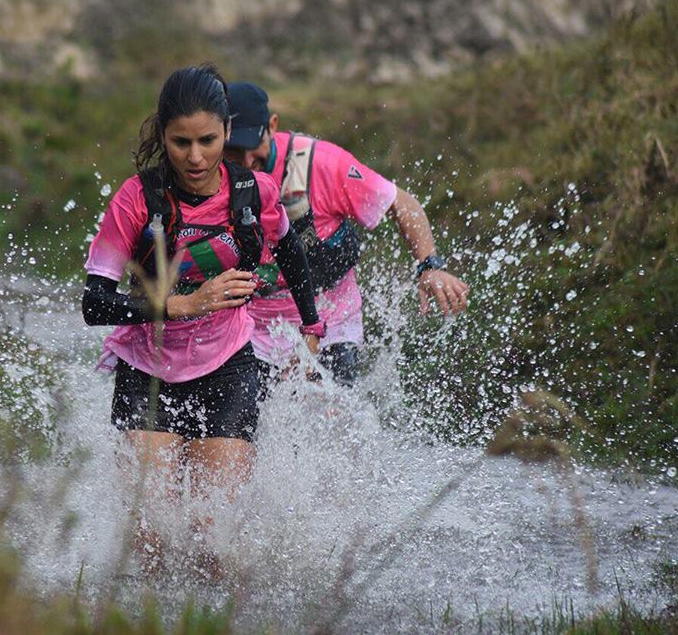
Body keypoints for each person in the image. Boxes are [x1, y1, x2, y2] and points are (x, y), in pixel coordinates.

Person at [81, 65, 324, 572]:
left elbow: (292, 252)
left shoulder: (254, 193)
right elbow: (95, 304)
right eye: (180, 142)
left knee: (212, 543)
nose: (195, 157)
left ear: (227, 132)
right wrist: (180, 305)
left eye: (208, 140)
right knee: (149, 541)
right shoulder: (137, 199)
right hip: (147, 371)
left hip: (230, 366)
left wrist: (311, 323)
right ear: (163, 136)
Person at [223, 82, 469, 388]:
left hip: (332, 319)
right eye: (233, 151)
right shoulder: (208, 175)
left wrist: (429, 265)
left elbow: (401, 203)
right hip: (252, 325)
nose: (246, 162)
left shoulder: (324, 164)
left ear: (272, 126)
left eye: (252, 145)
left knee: (331, 418)